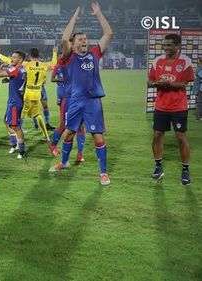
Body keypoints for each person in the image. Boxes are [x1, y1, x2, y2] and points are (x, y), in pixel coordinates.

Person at [48, 3, 113, 186]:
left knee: (98, 136)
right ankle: (64, 162)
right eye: (80, 39)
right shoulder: (68, 57)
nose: (84, 41)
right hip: (75, 101)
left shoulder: (94, 54)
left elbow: (108, 34)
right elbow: (64, 38)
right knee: (69, 134)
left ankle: (103, 173)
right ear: (74, 44)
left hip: (92, 101)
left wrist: (99, 14)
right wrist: (74, 19)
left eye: (86, 39)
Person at [147, 33, 194, 185]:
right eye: (164, 45)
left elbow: (183, 84)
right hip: (161, 106)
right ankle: (158, 166)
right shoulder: (157, 60)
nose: (166, 48)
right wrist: (157, 83)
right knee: (157, 135)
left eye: (169, 45)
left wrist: (166, 83)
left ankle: (185, 169)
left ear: (177, 45)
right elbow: (149, 82)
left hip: (178, 106)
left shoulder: (185, 61)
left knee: (181, 138)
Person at [0, 45, 57, 143]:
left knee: (20, 115)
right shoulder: (44, 65)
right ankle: (46, 135)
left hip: (27, 93)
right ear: (39, 55)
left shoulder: (27, 64)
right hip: (38, 93)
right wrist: (54, 53)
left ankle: (19, 135)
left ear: (30, 55)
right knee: (37, 115)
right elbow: (54, 64)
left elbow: (10, 61)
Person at [49, 57, 86, 162]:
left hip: (80, 99)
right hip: (68, 98)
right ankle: (53, 145)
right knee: (63, 125)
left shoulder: (81, 65)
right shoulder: (61, 66)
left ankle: (80, 154)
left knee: (81, 127)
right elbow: (53, 79)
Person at [0, 51, 28, 159]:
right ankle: (14, 145)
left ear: (20, 60)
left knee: (15, 126)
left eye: (14, 57)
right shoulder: (22, 70)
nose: (11, 59)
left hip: (14, 103)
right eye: (11, 56)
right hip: (14, 101)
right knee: (6, 121)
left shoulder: (15, 69)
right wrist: (8, 80)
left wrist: (0, 66)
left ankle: (21, 150)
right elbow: (16, 79)